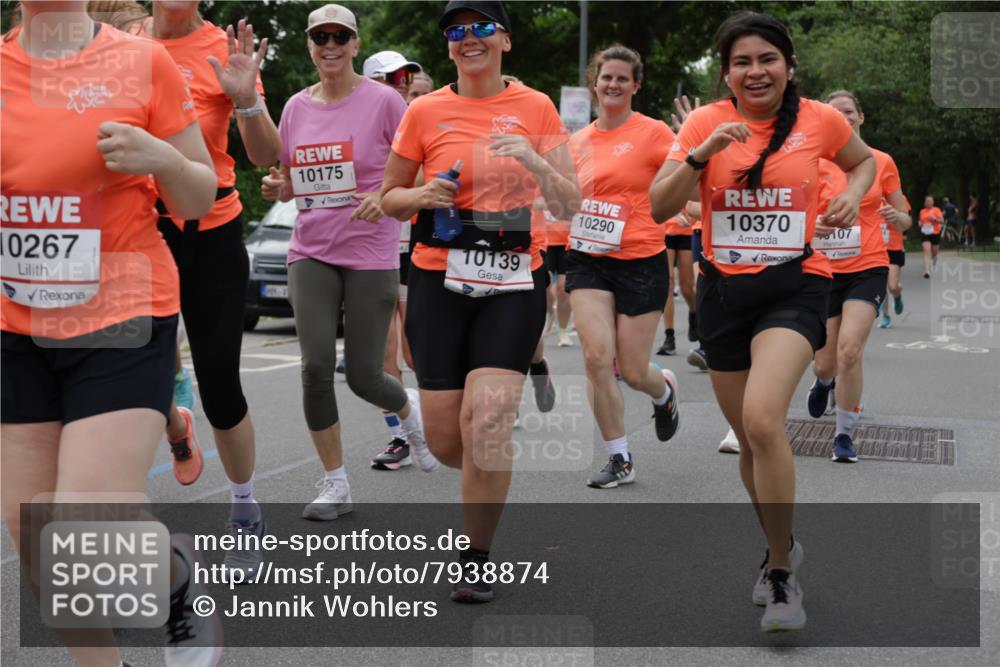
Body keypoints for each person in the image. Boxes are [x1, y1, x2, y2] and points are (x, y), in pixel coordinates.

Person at [1, 2, 223, 664]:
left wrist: (162, 157)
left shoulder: (142, 61)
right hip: (17, 328)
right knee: (37, 537)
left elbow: (196, 198)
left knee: (85, 526)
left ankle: (177, 580)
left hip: (121, 316)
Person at [649, 11, 875, 632]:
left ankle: (780, 572)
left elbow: (863, 164)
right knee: (751, 442)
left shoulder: (819, 121)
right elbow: (659, 204)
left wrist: (854, 192)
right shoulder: (704, 122)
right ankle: (783, 544)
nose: (756, 71)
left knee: (762, 419)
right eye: (742, 62)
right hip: (723, 293)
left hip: (796, 287)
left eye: (767, 58)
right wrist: (701, 154)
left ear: (790, 66)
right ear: (726, 73)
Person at [380, 0, 579, 602]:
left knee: (487, 421)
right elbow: (388, 198)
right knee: (447, 441)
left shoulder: (537, 107)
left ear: (505, 41)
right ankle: (479, 477)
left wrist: (536, 161)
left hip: (515, 283)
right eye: (456, 31)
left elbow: (570, 203)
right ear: (447, 48)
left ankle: (476, 556)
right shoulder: (424, 110)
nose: (468, 38)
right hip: (438, 283)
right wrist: (420, 194)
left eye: (481, 28)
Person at [261, 3, 432, 516]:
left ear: (356, 44)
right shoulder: (294, 108)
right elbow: (295, 179)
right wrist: (278, 186)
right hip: (310, 250)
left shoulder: (385, 103)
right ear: (310, 46)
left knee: (363, 376)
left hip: (370, 252)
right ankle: (336, 483)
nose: (330, 45)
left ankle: (408, 411)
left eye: (340, 36)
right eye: (320, 38)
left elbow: (419, 174)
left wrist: (387, 196)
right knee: (315, 366)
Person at [139, 0, 282, 579]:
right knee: (123, 381)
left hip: (212, 233)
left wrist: (246, 97)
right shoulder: (119, 42)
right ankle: (175, 426)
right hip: (136, 232)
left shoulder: (224, 50)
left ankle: (245, 510)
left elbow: (265, 155)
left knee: (221, 387)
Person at [565, 44, 681, 489]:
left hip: (640, 259)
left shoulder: (654, 134)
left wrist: (689, 208)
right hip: (587, 259)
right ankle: (620, 458)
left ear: (636, 85)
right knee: (596, 357)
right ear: (594, 82)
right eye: (605, 77)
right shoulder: (576, 142)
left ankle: (663, 390)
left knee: (633, 371)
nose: (612, 84)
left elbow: (683, 183)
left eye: (622, 78)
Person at [806, 90, 910, 462]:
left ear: (860, 118)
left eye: (848, 112)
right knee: (825, 361)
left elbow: (904, 213)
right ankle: (823, 381)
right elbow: (798, 211)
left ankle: (844, 435)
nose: (843, 118)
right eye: (835, 113)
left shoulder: (880, 161)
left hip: (868, 265)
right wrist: (812, 225)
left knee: (850, 350)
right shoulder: (813, 162)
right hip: (823, 270)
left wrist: (900, 220)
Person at [363, 49, 440, 472]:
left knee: (414, 354)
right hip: (371, 252)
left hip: (412, 249)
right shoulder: (355, 121)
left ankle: (442, 420)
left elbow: (435, 179)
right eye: (392, 81)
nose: (402, 88)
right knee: (382, 359)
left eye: (405, 81)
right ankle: (401, 436)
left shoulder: (421, 125)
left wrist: (397, 191)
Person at [877, 192, 912, 328]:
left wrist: (894, 215)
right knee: (881, 285)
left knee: (892, 286)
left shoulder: (900, 198)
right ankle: (886, 316)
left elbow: (905, 221)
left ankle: (897, 295)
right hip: (877, 247)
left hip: (894, 247)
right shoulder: (872, 196)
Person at [919, 195, 943, 278]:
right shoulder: (922, 211)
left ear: (933, 202)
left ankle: (934, 260)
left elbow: (941, 221)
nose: (929, 202)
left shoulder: (936, 210)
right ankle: (926, 271)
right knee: (926, 251)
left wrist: (935, 219)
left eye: (930, 201)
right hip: (925, 233)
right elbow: (921, 221)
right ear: (925, 203)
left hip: (935, 232)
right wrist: (920, 223)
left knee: (934, 252)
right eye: (927, 201)